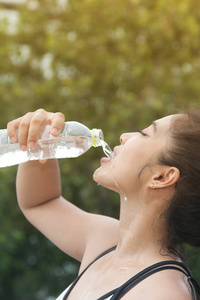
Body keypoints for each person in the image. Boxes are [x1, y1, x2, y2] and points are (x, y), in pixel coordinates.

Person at [7, 108, 200, 300]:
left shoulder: (162, 293)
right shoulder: (106, 241)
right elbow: (40, 203)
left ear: (162, 177)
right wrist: (39, 141)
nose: (124, 136)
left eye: (145, 133)